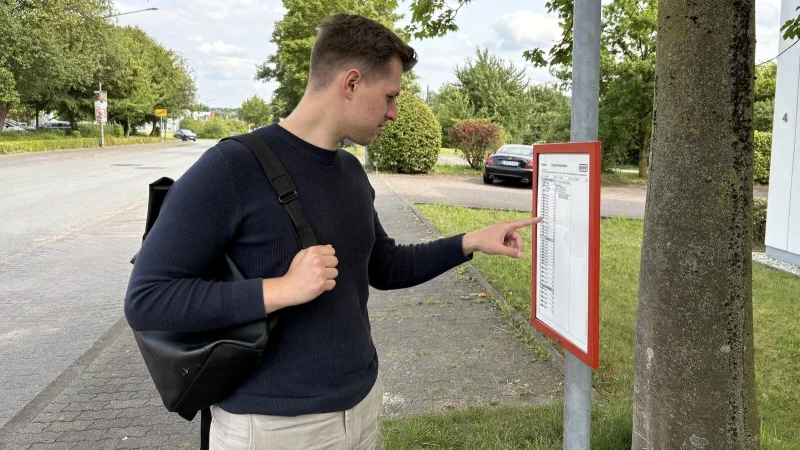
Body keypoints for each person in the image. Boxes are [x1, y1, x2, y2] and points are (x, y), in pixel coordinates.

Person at [124, 12, 541, 450]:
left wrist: (470, 241)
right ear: (352, 83)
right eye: (390, 97)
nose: (395, 113)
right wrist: (281, 289)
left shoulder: (350, 170)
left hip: (360, 409)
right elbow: (148, 300)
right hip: (272, 429)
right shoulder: (231, 168)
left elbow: (384, 265)